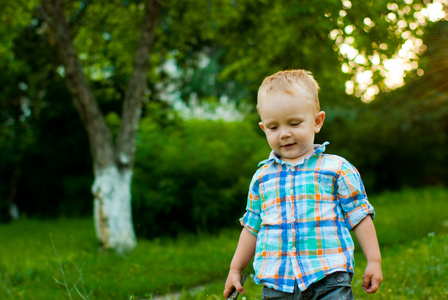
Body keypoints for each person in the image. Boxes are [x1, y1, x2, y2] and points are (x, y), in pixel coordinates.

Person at [223, 70, 382, 299]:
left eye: (294, 123)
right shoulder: (262, 177)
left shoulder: (337, 169)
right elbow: (251, 227)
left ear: (317, 122)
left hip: (328, 278)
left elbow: (359, 215)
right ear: (263, 129)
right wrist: (235, 269)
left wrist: (374, 260)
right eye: (274, 127)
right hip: (278, 284)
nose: (284, 134)